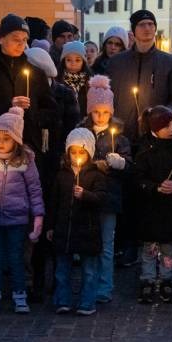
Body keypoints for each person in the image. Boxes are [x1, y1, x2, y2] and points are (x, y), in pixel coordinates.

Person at [0, 107, 44, 314]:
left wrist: (38, 216)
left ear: (16, 139)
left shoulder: (25, 160)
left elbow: (34, 189)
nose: (1, 143)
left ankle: (19, 294)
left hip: (17, 219)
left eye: (6, 139)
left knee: (16, 257)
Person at [0, 13, 59, 159]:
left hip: (28, 149)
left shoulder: (36, 74)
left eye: (24, 40)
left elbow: (52, 113)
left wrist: (31, 116)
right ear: (0, 39)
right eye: (16, 39)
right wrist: (8, 107)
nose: (21, 44)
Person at [80, 76, 132, 304]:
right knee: (88, 243)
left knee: (107, 244)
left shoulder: (119, 138)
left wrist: (120, 163)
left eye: (104, 112)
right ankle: (89, 284)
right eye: (96, 112)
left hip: (109, 197)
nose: (100, 116)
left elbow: (129, 166)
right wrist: (93, 165)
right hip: (87, 195)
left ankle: (105, 285)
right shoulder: (82, 133)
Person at [133, 106, 172, 304]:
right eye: (167, 126)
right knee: (149, 249)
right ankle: (147, 280)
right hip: (151, 207)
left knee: (169, 248)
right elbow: (138, 177)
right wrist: (154, 187)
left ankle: (167, 279)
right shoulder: (145, 150)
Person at [48, 128, 108, 315]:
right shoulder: (62, 175)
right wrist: (51, 226)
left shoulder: (96, 175)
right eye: (73, 152)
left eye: (81, 152)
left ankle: (87, 302)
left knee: (89, 271)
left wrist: (85, 195)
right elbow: (54, 202)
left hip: (87, 230)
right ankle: (63, 300)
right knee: (62, 270)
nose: (76, 156)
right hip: (65, 229)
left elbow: (101, 198)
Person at [107, 10, 172, 142]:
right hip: (120, 135)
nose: (147, 28)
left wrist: (162, 115)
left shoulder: (169, 62)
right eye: (142, 25)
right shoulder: (117, 62)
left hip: (156, 136)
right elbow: (108, 96)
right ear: (134, 30)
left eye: (151, 24)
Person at [58, 41, 93, 117]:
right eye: (68, 60)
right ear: (63, 61)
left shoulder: (90, 82)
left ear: (83, 61)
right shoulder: (58, 81)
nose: (73, 63)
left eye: (77, 60)